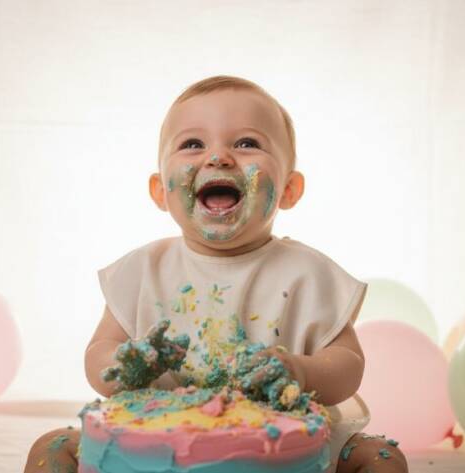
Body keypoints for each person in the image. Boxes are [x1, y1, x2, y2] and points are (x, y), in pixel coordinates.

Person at [24, 75, 409, 473]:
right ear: (160, 191)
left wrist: (300, 370)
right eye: (193, 144)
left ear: (290, 189)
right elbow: (98, 354)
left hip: (284, 453)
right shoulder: (141, 271)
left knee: (380, 459)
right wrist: (122, 365)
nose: (219, 157)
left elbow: (347, 365)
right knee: (52, 447)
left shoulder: (309, 274)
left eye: (246, 143)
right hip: (153, 450)